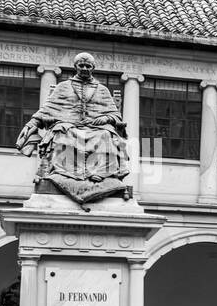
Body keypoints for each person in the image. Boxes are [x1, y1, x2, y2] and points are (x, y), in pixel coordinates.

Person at [16, 52, 132, 208]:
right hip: (68, 126)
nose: (84, 68)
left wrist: (106, 119)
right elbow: (48, 109)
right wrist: (32, 124)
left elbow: (115, 115)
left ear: (93, 68)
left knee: (105, 134)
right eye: (81, 65)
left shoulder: (102, 90)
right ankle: (64, 174)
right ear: (75, 66)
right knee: (63, 133)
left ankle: (100, 173)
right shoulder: (63, 87)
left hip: (95, 127)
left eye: (88, 66)